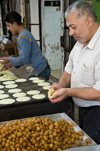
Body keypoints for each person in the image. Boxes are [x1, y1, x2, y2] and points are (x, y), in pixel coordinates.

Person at [48, 1, 100, 144]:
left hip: (97, 113)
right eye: (69, 28)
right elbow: (69, 69)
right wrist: (60, 85)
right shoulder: (79, 43)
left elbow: (99, 92)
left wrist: (69, 92)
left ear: (88, 21)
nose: (70, 33)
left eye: (73, 27)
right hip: (81, 109)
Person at [0, 11, 51, 80]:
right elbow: (25, 57)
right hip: (39, 68)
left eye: (9, 25)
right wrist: (10, 64)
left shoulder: (23, 37)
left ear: (15, 24)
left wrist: (9, 59)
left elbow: (24, 58)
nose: (8, 28)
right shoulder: (23, 34)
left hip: (39, 70)